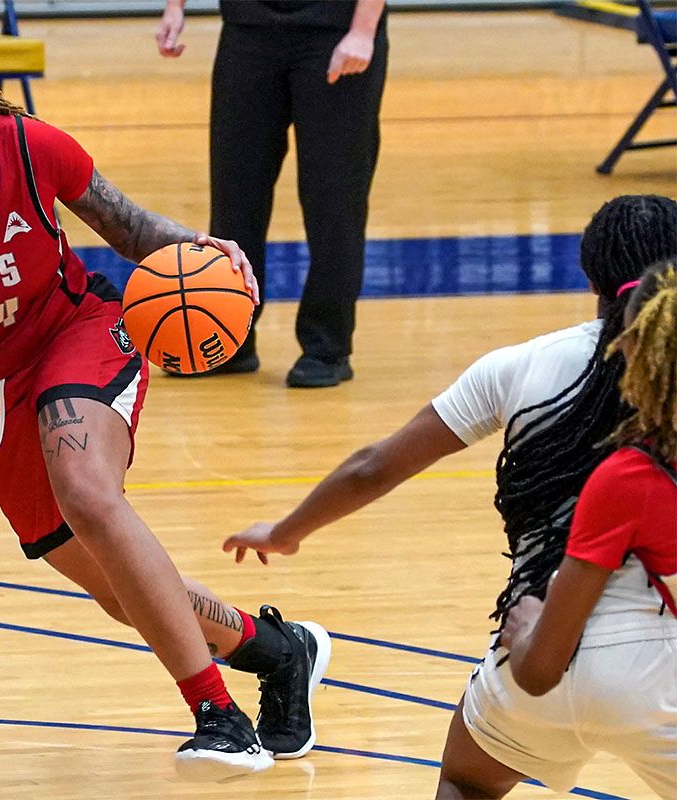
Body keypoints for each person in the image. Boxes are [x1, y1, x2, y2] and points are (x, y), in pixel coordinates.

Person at [0, 26, 332, 778]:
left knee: (91, 497)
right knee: (120, 592)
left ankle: (217, 715)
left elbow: (130, 230)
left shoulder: (31, 148)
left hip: (77, 332)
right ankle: (279, 652)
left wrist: (205, 250)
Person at [219, 194, 677, 797]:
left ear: (587, 274)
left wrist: (287, 531)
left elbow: (374, 468)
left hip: (534, 647)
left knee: (468, 780)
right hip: (658, 668)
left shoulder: (521, 366)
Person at [496, 261, 676, 798]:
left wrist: (528, 625)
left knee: (468, 772)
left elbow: (541, 671)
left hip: (636, 687)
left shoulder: (629, 479)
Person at [156, 0, 387, 386]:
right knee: (235, 194)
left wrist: (363, 30)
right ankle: (231, 339)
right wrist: (175, 7)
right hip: (248, 28)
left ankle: (327, 346)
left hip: (334, 30)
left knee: (334, 200)